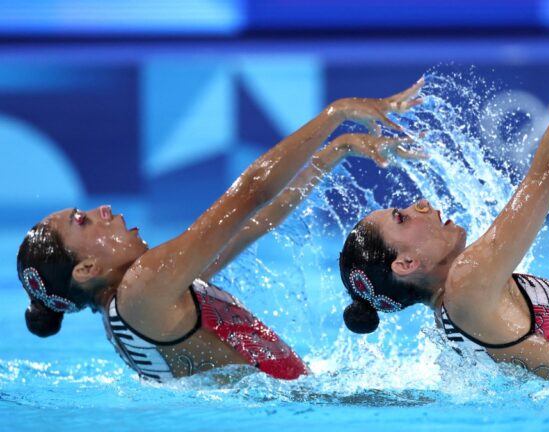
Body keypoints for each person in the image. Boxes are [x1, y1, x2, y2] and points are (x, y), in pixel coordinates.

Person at [338, 0, 549, 391]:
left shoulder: (459, 307)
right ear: (405, 263)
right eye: (401, 218)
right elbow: (547, 176)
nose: (419, 204)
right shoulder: (467, 285)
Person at [16, 80, 425, 382]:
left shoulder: (143, 304)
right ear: (85, 269)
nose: (100, 209)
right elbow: (251, 194)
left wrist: (339, 149)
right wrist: (335, 114)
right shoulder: (143, 288)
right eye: (81, 221)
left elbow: (261, 219)